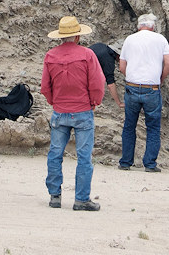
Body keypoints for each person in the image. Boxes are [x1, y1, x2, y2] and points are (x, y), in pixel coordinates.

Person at [41, 16, 106, 211]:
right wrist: (94, 102)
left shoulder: (50, 56)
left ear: (61, 37)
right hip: (83, 110)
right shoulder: (87, 55)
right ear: (77, 36)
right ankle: (81, 199)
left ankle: (55, 196)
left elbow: (45, 87)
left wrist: (55, 101)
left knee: (55, 153)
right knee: (84, 157)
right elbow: (97, 83)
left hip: (60, 112)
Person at [118, 13, 169, 172]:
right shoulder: (160, 39)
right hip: (152, 89)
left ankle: (126, 162)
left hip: (132, 86)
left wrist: (133, 77)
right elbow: (168, 63)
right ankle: (150, 164)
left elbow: (122, 67)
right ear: (153, 26)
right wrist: (160, 79)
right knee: (153, 127)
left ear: (138, 25)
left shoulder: (130, 39)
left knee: (129, 126)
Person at [89, 40, 123, 108]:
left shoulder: (100, 45)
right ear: (119, 55)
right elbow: (110, 84)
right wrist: (119, 103)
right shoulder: (108, 60)